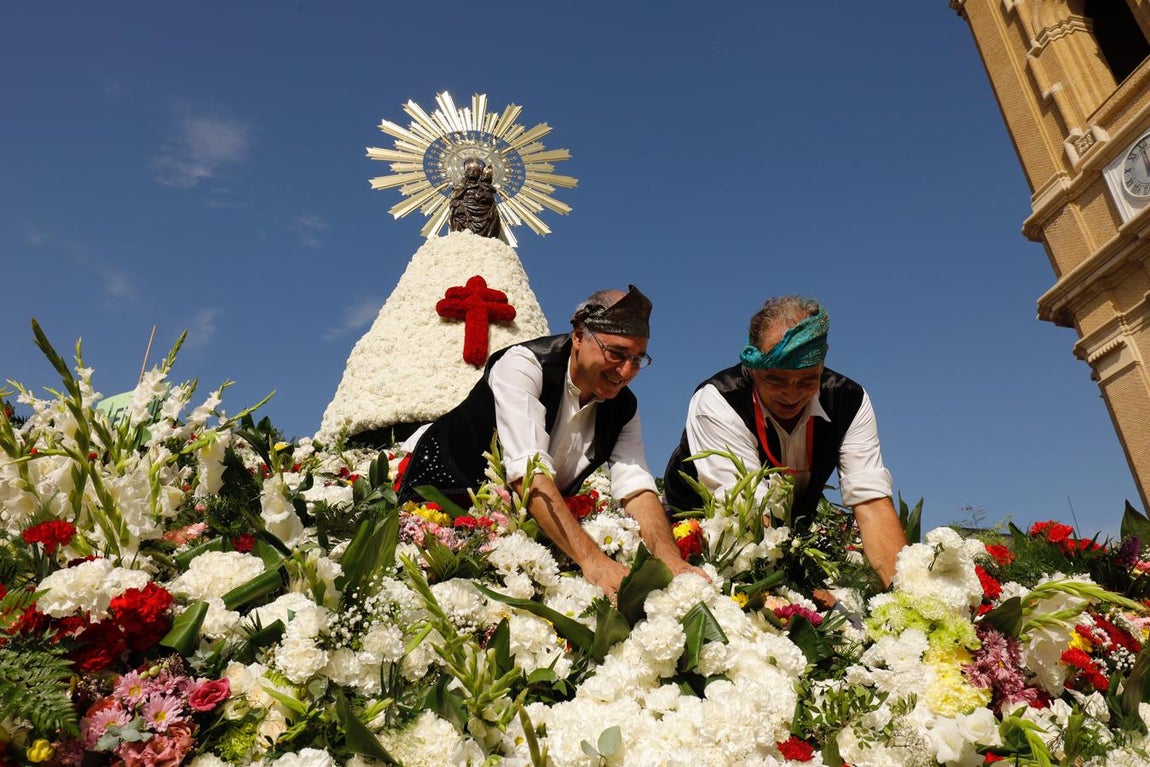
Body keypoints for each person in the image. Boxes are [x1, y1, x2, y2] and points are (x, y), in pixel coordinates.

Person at [399, 285, 707, 596]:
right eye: (616, 353)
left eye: (638, 359)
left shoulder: (625, 408)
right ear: (578, 337)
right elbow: (529, 474)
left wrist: (670, 560)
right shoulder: (523, 365)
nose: (626, 371)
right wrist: (594, 561)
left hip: (511, 527)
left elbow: (637, 489)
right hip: (432, 494)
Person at [663, 296, 906, 586]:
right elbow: (747, 518)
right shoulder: (719, 399)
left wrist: (906, 597)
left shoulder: (849, 401)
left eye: (807, 381)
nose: (791, 395)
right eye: (775, 380)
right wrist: (796, 589)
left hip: (782, 543)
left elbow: (873, 505)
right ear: (752, 365)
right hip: (696, 539)